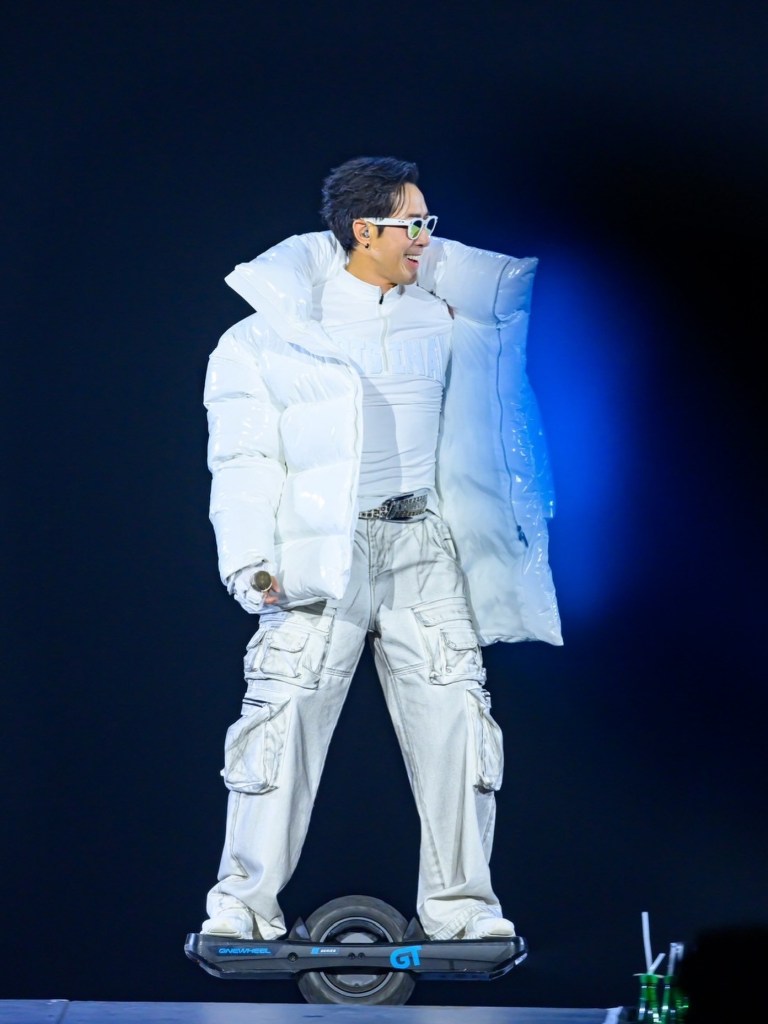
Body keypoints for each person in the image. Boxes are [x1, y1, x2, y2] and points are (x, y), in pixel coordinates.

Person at [200, 156, 562, 943]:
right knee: (280, 720)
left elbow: (500, 421)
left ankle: (463, 910)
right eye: (413, 224)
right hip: (318, 555)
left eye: (431, 223)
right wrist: (249, 561)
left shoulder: (453, 324)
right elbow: (244, 458)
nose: (428, 238)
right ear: (363, 231)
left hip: (423, 546)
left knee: (458, 722)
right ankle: (241, 907)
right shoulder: (269, 336)